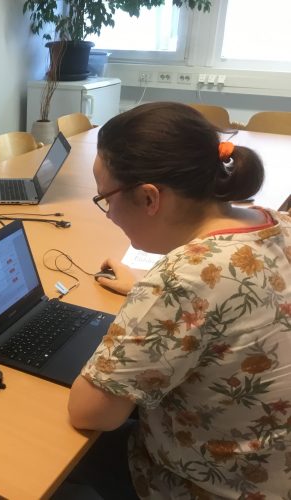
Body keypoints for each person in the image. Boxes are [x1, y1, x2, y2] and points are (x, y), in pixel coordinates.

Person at [67, 102, 291, 499]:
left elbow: (90, 413)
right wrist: (145, 293)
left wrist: (156, 299)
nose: (107, 213)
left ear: (150, 197)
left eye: (105, 198)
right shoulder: (274, 222)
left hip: (210, 485)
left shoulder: (182, 282)